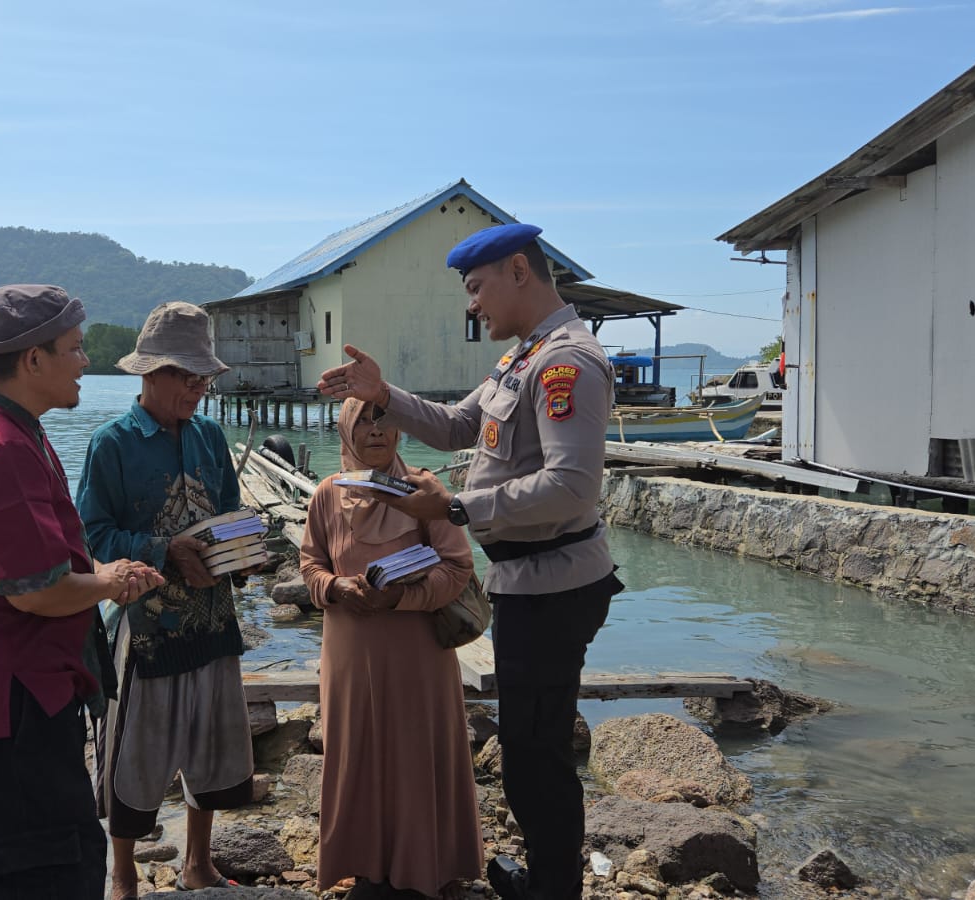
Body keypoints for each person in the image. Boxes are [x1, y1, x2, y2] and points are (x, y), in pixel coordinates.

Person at [316, 224, 624, 900]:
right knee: (527, 749)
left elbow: (573, 486)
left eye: (477, 288)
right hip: (525, 579)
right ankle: (546, 876)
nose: (471, 305)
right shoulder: (524, 357)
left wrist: (454, 510)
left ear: (520, 271)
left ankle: (552, 890)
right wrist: (385, 393)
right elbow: (458, 426)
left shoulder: (566, 362)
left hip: (554, 583)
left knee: (537, 754)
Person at [0, 283, 164, 899]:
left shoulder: (4, 425)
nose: (88, 360)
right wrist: (111, 582)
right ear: (33, 359)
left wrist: (101, 574)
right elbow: (36, 592)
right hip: (15, 695)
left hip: (6, 689)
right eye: (76, 348)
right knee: (48, 865)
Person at [75, 301, 256, 900]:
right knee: (136, 752)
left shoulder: (209, 435)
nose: (199, 388)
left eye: (203, 376)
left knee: (210, 742)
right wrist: (162, 549)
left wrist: (244, 552)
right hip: (146, 625)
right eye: (186, 375)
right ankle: (122, 874)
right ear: (149, 375)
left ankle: (198, 862)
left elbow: (228, 514)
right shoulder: (113, 445)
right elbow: (92, 536)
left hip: (213, 619)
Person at [298, 397, 483, 900]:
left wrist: (403, 596)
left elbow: (457, 566)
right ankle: (365, 867)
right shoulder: (326, 495)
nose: (375, 432)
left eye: (384, 421)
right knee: (356, 750)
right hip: (351, 652)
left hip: (417, 650)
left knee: (415, 751)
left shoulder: (424, 491)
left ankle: (426, 867)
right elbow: (310, 565)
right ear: (345, 432)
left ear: (400, 431)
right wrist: (337, 589)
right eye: (363, 422)